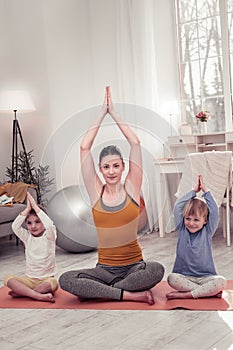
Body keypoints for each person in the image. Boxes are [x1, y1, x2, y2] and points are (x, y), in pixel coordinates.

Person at [59, 87, 164, 305]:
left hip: (135, 267)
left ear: (124, 167)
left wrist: (114, 113)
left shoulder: (132, 189)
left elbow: (135, 143)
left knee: (156, 270)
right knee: (66, 279)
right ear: (100, 169)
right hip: (104, 270)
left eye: (116, 165)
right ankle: (127, 294)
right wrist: (101, 113)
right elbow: (84, 147)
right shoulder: (97, 192)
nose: (112, 171)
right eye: (106, 167)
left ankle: (104, 292)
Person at [166, 174, 226, 300]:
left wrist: (206, 192)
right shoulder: (182, 229)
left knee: (221, 281)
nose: (191, 223)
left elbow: (214, 210)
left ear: (205, 221)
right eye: (188, 218)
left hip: (206, 277)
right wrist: (193, 191)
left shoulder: (208, 231)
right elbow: (178, 207)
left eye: (196, 220)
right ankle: (204, 292)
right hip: (184, 276)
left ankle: (189, 294)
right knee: (171, 279)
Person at [4, 191, 58, 303]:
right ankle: (37, 295)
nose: (33, 226)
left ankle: (24, 293)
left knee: (52, 284)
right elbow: (15, 226)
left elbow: (50, 226)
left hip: (47, 279)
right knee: (7, 279)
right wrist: (27, 209)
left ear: (43, 221)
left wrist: (35, 207)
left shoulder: (49, 237)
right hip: (30, 280)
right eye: (29, 223)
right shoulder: (27, 237)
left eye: (37, 222)